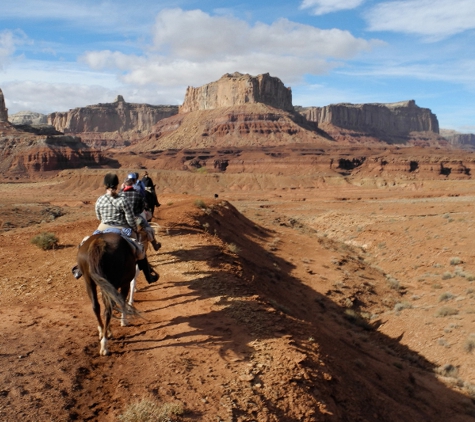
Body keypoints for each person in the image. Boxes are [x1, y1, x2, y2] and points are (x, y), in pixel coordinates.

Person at [72, 173, 158, 284]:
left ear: (105, 185)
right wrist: (134, 228)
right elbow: (130, 217)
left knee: (85, 242)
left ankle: (80, 267)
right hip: (122, 227)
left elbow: (99, 216)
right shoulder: (123, 199)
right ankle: (148, 276)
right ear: (117, 185)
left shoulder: (100, 199)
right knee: (139, 249)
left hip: (103, 226)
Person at [120, 173, 161, 251]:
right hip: (136, 217)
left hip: (122, 218)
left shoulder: (120, 194)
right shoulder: (138, 191)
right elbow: (142, 204)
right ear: (133, 181)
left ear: (125, 184)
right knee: (148, 228)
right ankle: (154, 244)